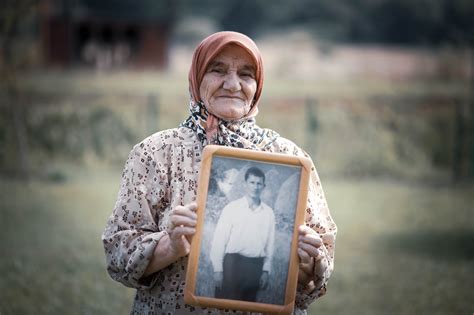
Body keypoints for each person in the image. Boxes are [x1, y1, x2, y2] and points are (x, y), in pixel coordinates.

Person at [102, 31, 337, 314]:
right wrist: (171, 244)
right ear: (197, 76)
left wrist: (308, 262)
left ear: (258, 85)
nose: (233, 84)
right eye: (218, 70)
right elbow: (118, 252)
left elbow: (317, 269)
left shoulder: (289, 159)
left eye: (246, 74)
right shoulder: (157, 153)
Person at [210, 167, 275, 302]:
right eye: (252, 182)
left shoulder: (268, 213)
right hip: (232, 264)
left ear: (263, 186)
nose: (255, 187)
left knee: (246, 307)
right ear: (245, 184)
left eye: (259, 183)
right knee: (224, 306)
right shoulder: (232, 208)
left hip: (255, 267)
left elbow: (270, 245)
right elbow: (219, 240)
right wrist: (218, 270)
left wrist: (265, 271)